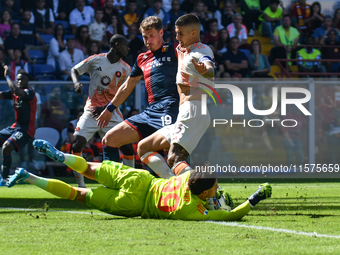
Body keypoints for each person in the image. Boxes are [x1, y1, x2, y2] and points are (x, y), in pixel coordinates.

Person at [7, 139, 272, 221]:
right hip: (133, 205)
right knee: (79, 194)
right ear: (203, 194)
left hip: (140, 180)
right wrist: (255, 197)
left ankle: (61, 155)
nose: (217, 190)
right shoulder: (190, 209)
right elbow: (231, 216)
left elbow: (180, 165)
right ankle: (29, 177)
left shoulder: (188, 177)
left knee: (87, 168)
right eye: (214, 188)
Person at [96, 16, 179, 178]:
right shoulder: (142, 58)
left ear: (161, 32)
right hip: (150, 112)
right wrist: (109, 108)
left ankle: (185, 187)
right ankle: (112, 184)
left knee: (174, 150)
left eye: (152, 35)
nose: (148, 40)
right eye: (145, 36)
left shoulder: (175, 49)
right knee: (109, 139)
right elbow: (127, 85)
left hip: (171, 107)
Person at [134, 14, 215, 177]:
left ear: (193, 33)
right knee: (143, 147)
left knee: (174, 159)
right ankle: (177, 187)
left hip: (193, 111)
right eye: (176, 33)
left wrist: (206, 70)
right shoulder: (182, 49)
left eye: (181, 34)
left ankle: (213, 195)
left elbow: (209, 65)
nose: (177, 37)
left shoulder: (201, 50)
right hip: (185, 113)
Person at [70, 34, 134, 187]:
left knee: (128, 149)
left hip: (112, 113)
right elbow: (74, 70)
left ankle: (130, 182)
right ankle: (80, 184)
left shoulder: (126, 68)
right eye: (126, 46)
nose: (128, 49)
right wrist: (76, 83)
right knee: (76, 146)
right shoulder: (96, 59)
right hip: (92, 111)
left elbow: (124, 94)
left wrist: (107, 108)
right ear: (117, 45)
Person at [0, 67, 36, 186]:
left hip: (26, 130)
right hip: (14, 127)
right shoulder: (14, 93)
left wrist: (7, 76)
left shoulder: (30, 93)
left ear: (27, 81)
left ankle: (4, 179)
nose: (19, 81)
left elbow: (16, 91)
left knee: (6, 147)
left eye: (22, 80)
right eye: (18, 80)